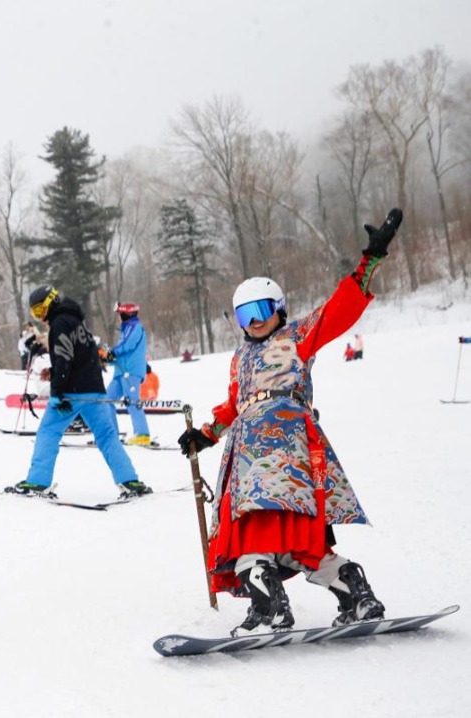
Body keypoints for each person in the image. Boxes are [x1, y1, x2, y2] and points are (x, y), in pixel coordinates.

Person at [176, 208, 403, 637]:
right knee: (293, 536)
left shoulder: (297, 337)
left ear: (279, 308)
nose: (255, 320)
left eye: (261, 309)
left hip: (286, 445)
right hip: (247, 450)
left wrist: (369, 261)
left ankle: (271, 608)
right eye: (244, 315)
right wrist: (204, 436)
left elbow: (341, 310)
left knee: (257, 528)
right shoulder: (241, 357)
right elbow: (234, 404)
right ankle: (355, 593)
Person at [13, 285, 149, 499]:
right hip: (95, 391)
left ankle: (38, 482)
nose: (40, 318)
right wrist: (54, 370)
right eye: (34, 314)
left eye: (40, 311)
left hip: (72, 393)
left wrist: (57, 393)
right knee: (106, 436)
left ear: (51, 303)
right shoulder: (77, 322)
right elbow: (81, 357)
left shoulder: (59, 323)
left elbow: (64, 357)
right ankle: (130, 480)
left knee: (48, 431)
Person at [106, 301, 151, 446]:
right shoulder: (126, 329)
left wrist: (113, 352)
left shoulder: (135, 327)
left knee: (132, 401)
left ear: (126, 314)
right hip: (120, 372)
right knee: (107, 400)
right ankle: (111, 434)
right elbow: (121, 353)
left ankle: (142, 434)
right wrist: (109, 358)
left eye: (120, 314)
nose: (119, 316)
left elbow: (127, 346)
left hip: (131, 372)